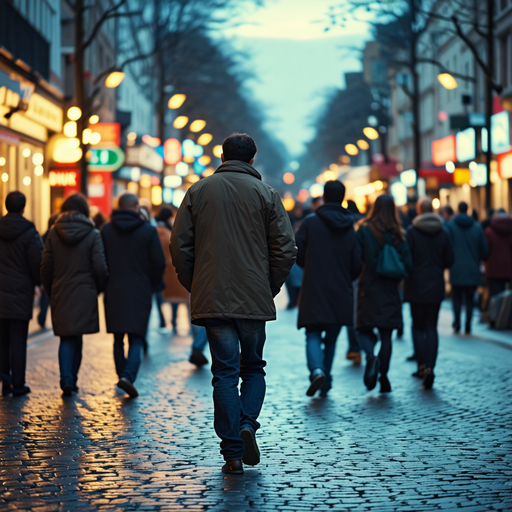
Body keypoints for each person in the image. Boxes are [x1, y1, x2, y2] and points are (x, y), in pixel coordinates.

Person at [171, 133, 296, 475]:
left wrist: (195, 284)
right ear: (252, 159)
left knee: (223, 372)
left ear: (222, 156)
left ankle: (232, 454)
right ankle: (248, 425)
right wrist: (268, 286)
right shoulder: (267, 194)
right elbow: (286, 248)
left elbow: (179, 246)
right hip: (253, 297)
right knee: (253, 367)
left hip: (213, 297)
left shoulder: (198, 191)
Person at [295, 180, 362, 397]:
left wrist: (310, 265)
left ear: (324, 196)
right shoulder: (349, 226)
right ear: (342, 198)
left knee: (312, 333)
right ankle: (326, 377)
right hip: (340, 289)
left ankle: (316, 370)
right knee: (332, 338)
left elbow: (297, 251)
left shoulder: (310, 222)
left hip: (314, 286)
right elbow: (356, 262)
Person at [41, 193, 108, 396]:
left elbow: (45, 266)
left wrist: (49, 289)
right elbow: (100, 267)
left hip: (60, 289)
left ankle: (66, 378)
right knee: (77, 337)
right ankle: (72, 379)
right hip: (85, 290)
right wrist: (97, 288)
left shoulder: (53, 232)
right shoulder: (93, 233)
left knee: (65, 337)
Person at [102, 193, 166, 398]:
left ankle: (122, 375)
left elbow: (99, 260)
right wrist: (153, 283)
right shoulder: (148, 231)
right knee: (137, 337)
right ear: (137, 207)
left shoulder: (106, 230)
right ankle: (128, 376)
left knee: (118, 338)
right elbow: (159, 262)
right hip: (140, 289)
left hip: (113, 289)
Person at [356, 194, 412, 393]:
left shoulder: (363, 229)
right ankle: (384, 377)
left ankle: (370, 356)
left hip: (369, 286)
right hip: (391, 289)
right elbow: (408, 263)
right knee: (386, 335)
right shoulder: (399, 233)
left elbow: (356, 259)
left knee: (363, 329)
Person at [404, 197, 454, 389]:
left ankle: (422, 366)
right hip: (435, 285)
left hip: (416, 285)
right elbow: (450, 259)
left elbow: (407, 260)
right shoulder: (443, 233)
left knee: (417, 326)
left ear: (418, 210)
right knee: (431, 325)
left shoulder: (412, 233)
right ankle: (431, 367)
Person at [0, 192, 43, 396]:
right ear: (23, 207)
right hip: (20, 293)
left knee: (2, 340)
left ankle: (5, 380)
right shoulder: (29, 231)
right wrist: (37, 283)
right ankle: (18, 384)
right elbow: (37, 262)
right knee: (18, 340)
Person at [445, 201, 488, 334]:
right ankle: (468, 325)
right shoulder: (476, 227)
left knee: (457, 297)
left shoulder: (450, 225)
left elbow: (446, 246)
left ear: (458, 209)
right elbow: (484, 250)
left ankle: (457, 322)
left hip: (456, 267)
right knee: (469, 298)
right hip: (472, 268)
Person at [155, 207, 189, 334]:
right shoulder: (166, 233)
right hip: (170, 270)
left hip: (164, 272)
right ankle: (171, 322)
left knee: (170, 298)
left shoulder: (158, 231)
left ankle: (167, 322)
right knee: (177, 298)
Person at [484, 208, 512, 299]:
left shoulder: (489, 232)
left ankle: (496, 313)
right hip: (509, 267)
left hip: (493, 267)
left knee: (495, 297)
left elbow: (485, 250)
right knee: (508, 298)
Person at [37, 213, 58, 329]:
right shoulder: (56, 237)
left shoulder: (43, 236)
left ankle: (42, 317)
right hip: (55, 273)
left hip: (45, 271)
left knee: (44, 298)